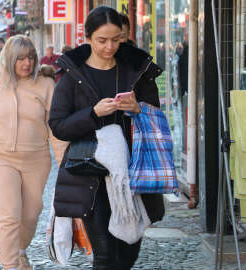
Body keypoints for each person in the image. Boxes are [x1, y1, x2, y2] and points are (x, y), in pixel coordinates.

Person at [48, 6, 165, 269]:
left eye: (117, 39)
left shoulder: (137, 70)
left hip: (132, 171)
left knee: (128, 254)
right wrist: (93, 113)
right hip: (89, 174)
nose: (110, 46)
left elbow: (157, 118)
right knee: (104, 255)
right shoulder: (72, 76)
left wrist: (138, 109)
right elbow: (58, 126)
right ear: (88, 37)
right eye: (102, 40)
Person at [0, 35, 68, 270]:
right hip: (1, 158)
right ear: (10, 59)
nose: (26, 64)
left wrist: (64, 163)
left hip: (37, 159)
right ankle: (9, 265)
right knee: (9, 216)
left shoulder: (46, 84)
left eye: (30, 58)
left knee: (31, 214)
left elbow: (54, 126)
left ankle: (19, 251)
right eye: (20, 59)